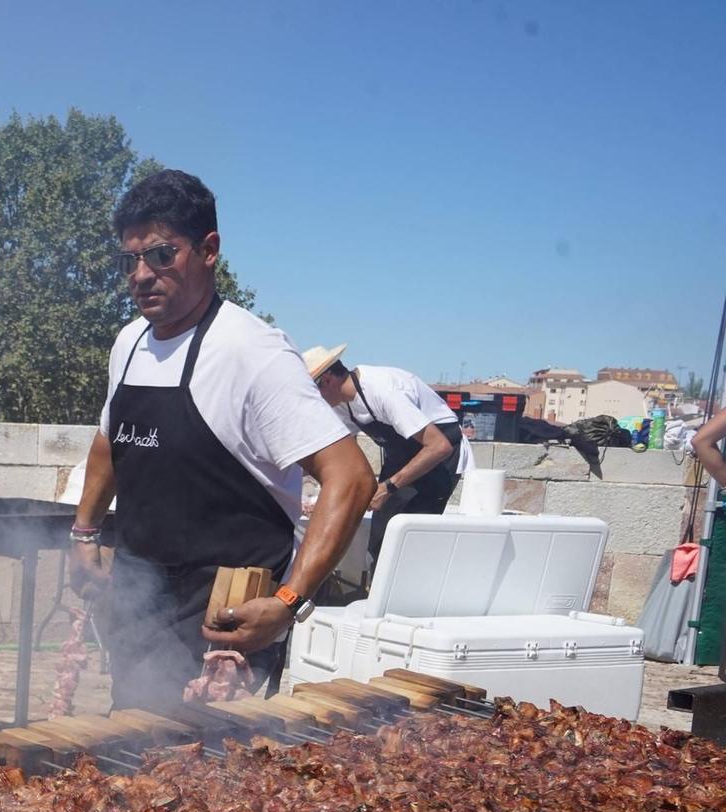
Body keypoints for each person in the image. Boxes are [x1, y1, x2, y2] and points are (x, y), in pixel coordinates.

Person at [69, 170, 375, 711]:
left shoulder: (250, 351)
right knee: (133, 735)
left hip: (226, 607)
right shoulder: (129, 343)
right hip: (140, 592)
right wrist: (84, 534)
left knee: (200, 768)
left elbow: (349, 477)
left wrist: (287, 601)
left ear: (209, 250)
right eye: (130, 260)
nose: (142, 275)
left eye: (162, 254)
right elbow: (108, 443)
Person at [301, 347, 466, 563]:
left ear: (328, 380)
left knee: (409, 539)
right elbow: (334, 452)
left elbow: (439, 446)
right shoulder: (341, 404)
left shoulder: (382, 391)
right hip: (402, 456)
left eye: (314, 391)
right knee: (381, 539)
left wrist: (387, 487)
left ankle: (407, 593)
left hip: (439, 460)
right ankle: (378, 592)